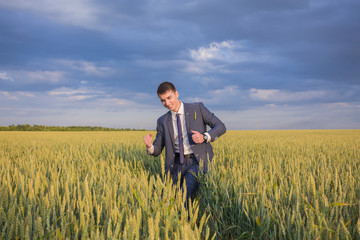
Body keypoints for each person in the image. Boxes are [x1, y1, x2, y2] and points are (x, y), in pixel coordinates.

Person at [143, 81, 226, 207]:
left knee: (184, 195)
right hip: (175, 164)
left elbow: (220, 126)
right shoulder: (162, 121)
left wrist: (204, 137)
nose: (167, 103)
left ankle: (186, 223)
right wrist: (149, 146)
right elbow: (157, 149)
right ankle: (178, 224)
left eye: (169, 98)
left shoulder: (197, 108)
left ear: (176, 94)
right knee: (169, 199)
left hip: (197, 162)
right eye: (163, 100)